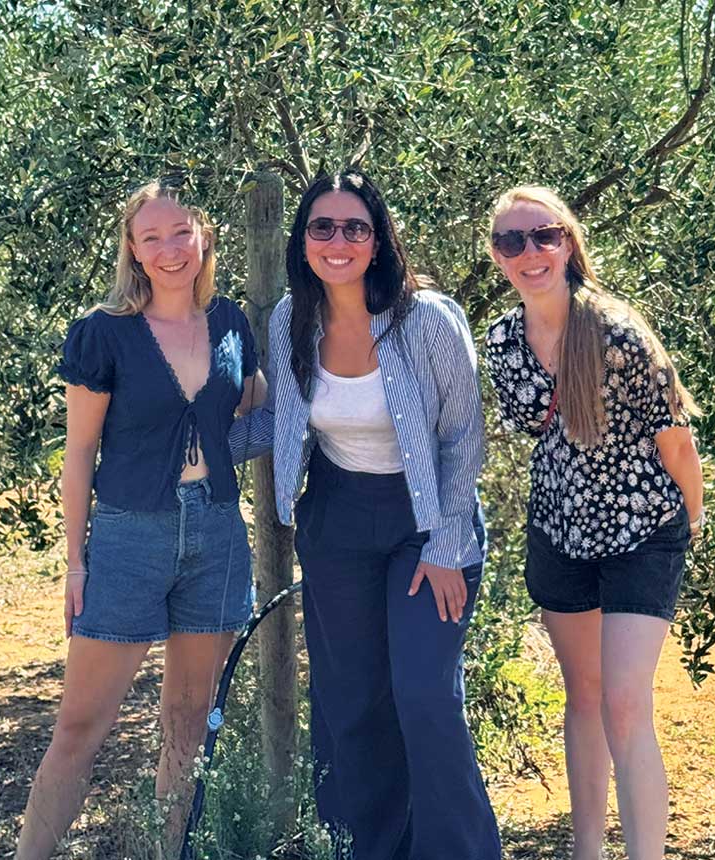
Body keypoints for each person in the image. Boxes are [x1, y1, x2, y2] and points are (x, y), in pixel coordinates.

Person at [15, 180, 267, 859]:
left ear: (204, 238)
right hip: (130, 536)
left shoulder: (232, 326)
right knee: (80, 725)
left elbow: (255, 410)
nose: (168, 249)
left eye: (180, 233)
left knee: (188, 722)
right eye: (151, 237)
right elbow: (78, 453)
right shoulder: (105, 333)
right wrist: (75, 562)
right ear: (132, 248)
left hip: (215, 535)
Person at [267, 169, 501, 860]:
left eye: (355, 228)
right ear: (303, 239)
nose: (338, 241)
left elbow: (465, 436)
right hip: (337, 522)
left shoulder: (426, 318)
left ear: (378, 240)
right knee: (351, 703)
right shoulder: (291, 318)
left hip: (426, 523)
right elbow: (283, 420)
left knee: (425, 694)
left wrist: (447, 542)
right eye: (322, 227)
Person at [483, 185, 704, 860]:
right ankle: (587, 851)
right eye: (512, 241)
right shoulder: (502, 344)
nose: (530, 253)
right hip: (560, 536)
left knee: (625, 703)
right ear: (496, 256)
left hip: (641, 533)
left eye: (543, 236)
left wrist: (689, 524)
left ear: (569, 241)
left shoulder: (617, 332)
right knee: (582, 695)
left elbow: (676, 441)